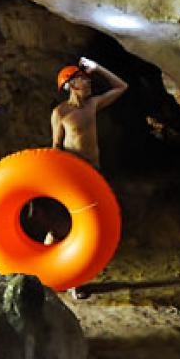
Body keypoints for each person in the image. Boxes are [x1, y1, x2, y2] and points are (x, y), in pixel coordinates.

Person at [44, 57, 127, 298]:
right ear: (69, 85)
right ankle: (50, 273)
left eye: (88, 79)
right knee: (64, 228)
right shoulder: (61, 112)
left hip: (94, 174)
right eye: (82, 80)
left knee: (88, 229)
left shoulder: (92, 105)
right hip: (73, 177)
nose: (88, 84)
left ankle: (75, 278)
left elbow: (122, 87)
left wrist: (98, 68)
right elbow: (56, 146)